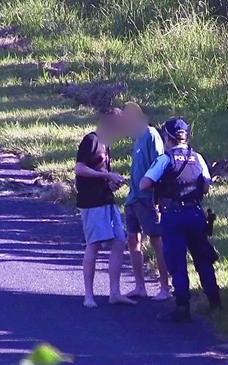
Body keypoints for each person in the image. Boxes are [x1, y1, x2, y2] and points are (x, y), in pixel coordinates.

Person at [139, 118, 221, 323]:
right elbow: (205, 186)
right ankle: (215, 302)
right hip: (195, 214)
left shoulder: (165, 160)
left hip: (173, 215)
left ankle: (182, 307)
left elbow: (144, 184)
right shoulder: (198, 157)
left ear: (167, 137)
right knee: (203, 258)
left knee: (177, 262)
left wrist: (164, 188)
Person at [74, 107, 135, 308]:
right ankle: (88, 296)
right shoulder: (91, 140)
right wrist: (107, 176)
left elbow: (98, 171)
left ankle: (115, 293)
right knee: (94, 244)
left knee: (119, 241)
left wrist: (110, 182)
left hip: (106, 198)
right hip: (91, 202)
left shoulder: (106, 144)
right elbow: (80, 168)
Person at [122, 102, 171, 301]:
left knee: (156, 242)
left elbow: (159, 165)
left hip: (148, 200)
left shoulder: (151, 135)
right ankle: (140, 286)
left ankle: (165, 288)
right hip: (133, 198)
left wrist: (155, 196)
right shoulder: (137, 139)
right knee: (132, 240)